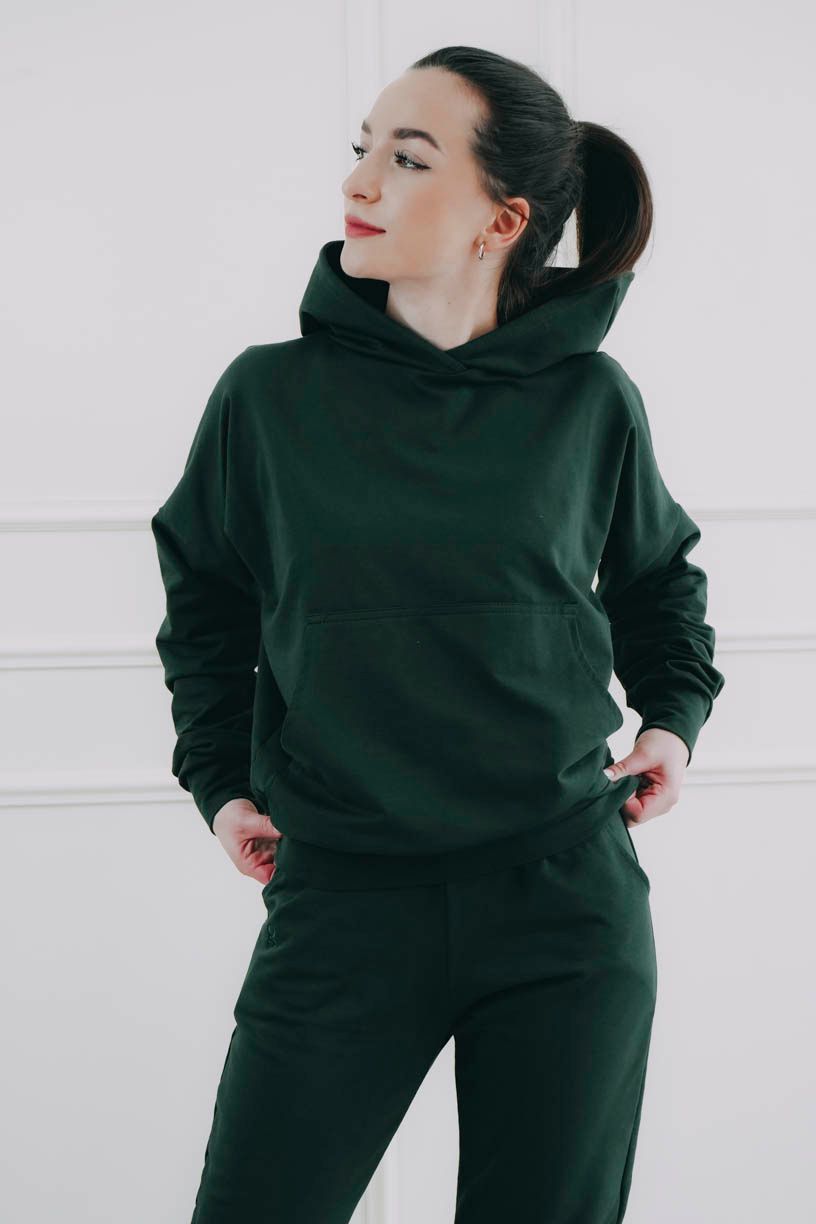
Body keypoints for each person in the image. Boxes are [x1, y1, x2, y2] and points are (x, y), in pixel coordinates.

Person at [151, 45, 725, 1224]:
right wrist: (221, 782)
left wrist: (671, 725)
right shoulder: (267, 399)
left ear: (500, 222)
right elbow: (204, 607)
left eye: (408, 158)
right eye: (362, 148)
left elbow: (659, 583)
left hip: (565, 901)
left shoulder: (592, 401)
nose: (360, 180)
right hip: (342, 900)